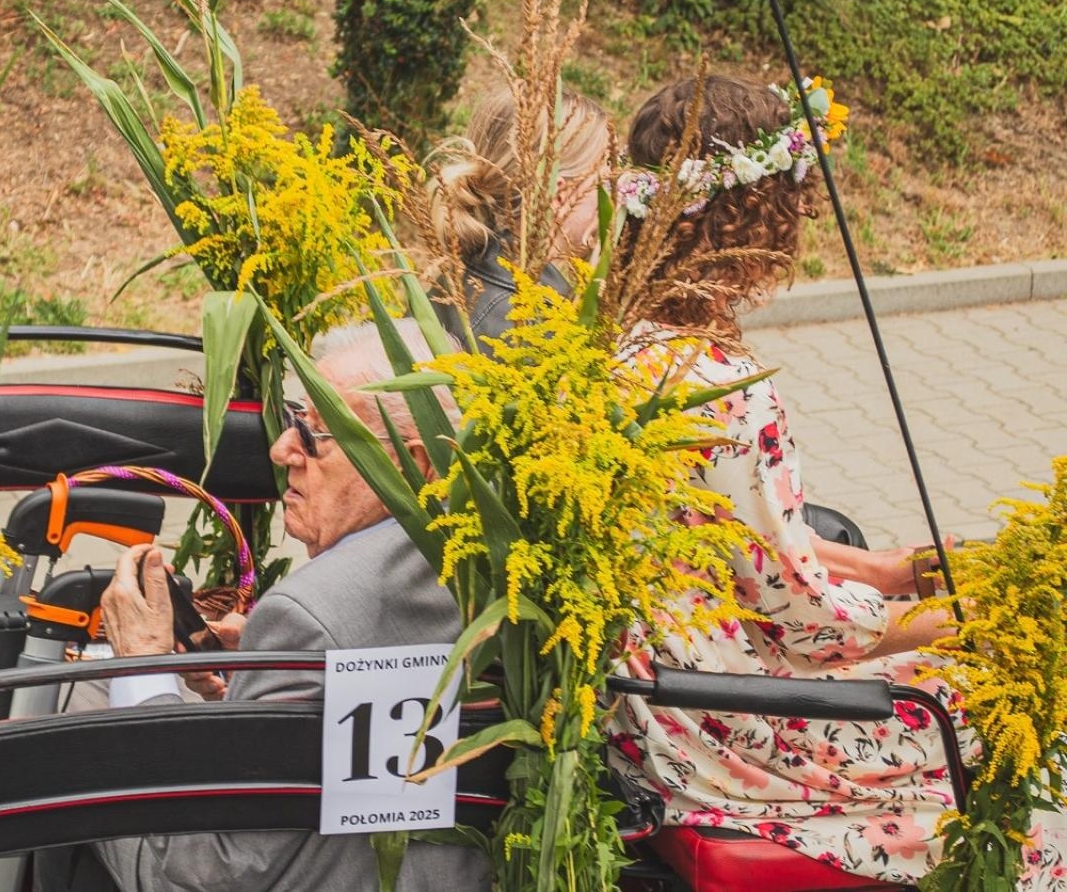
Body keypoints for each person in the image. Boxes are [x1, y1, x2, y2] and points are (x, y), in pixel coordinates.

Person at [603, 75, 1067, 885]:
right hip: (719, 730)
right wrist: (937, 618)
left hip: (643, 706)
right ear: (760, 218)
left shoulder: (624, 342)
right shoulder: (724, 385)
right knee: (1001, 702)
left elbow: (736, 547)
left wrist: (883, 569)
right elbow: (802, 622)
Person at [83, 319, 491, 892]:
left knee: (84, 704)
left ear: (414, 463)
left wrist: (143, 665)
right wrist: (268, 667)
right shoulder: (491, 561)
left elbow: (207, 873)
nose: (283, 450)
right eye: (295, 420)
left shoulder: (310, 613)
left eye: (316, 433)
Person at [427, 87, 611, 342]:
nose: (611, 199)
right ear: (560, 196)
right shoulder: (530, 328)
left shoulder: (465, 273)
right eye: (603, 181)